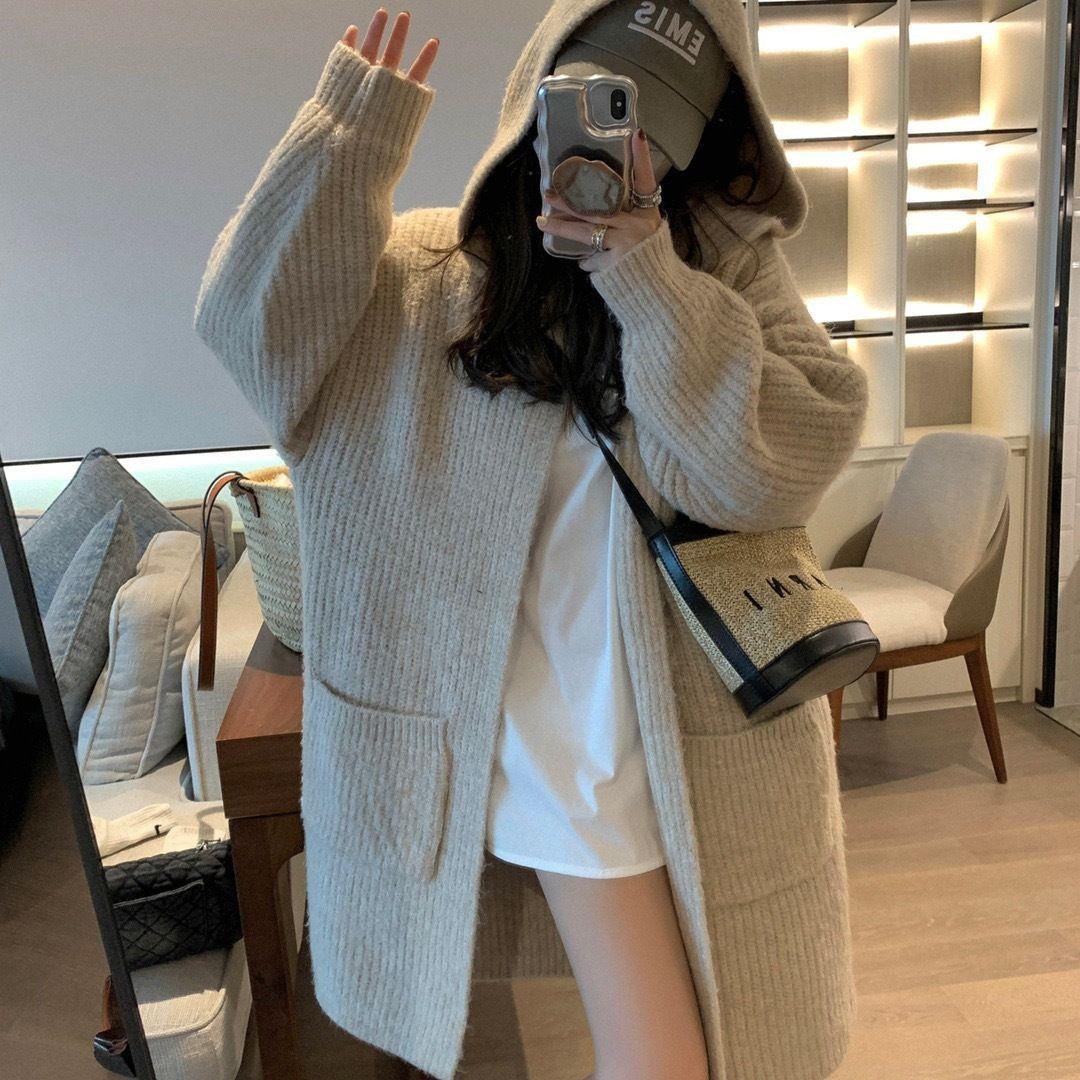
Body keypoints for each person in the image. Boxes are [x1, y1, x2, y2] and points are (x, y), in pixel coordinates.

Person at [193, 2, 870, 1078]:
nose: (626, 147)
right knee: (667, 1055)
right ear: (535, 102)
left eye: (657, 123)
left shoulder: (723, 275)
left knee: (703, 1039)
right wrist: (348, 139)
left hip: (699, 737)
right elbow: (255, 340)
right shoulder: (424, 275)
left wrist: (649, 280)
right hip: (555, 737)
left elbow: (765, 476)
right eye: (599, 103)